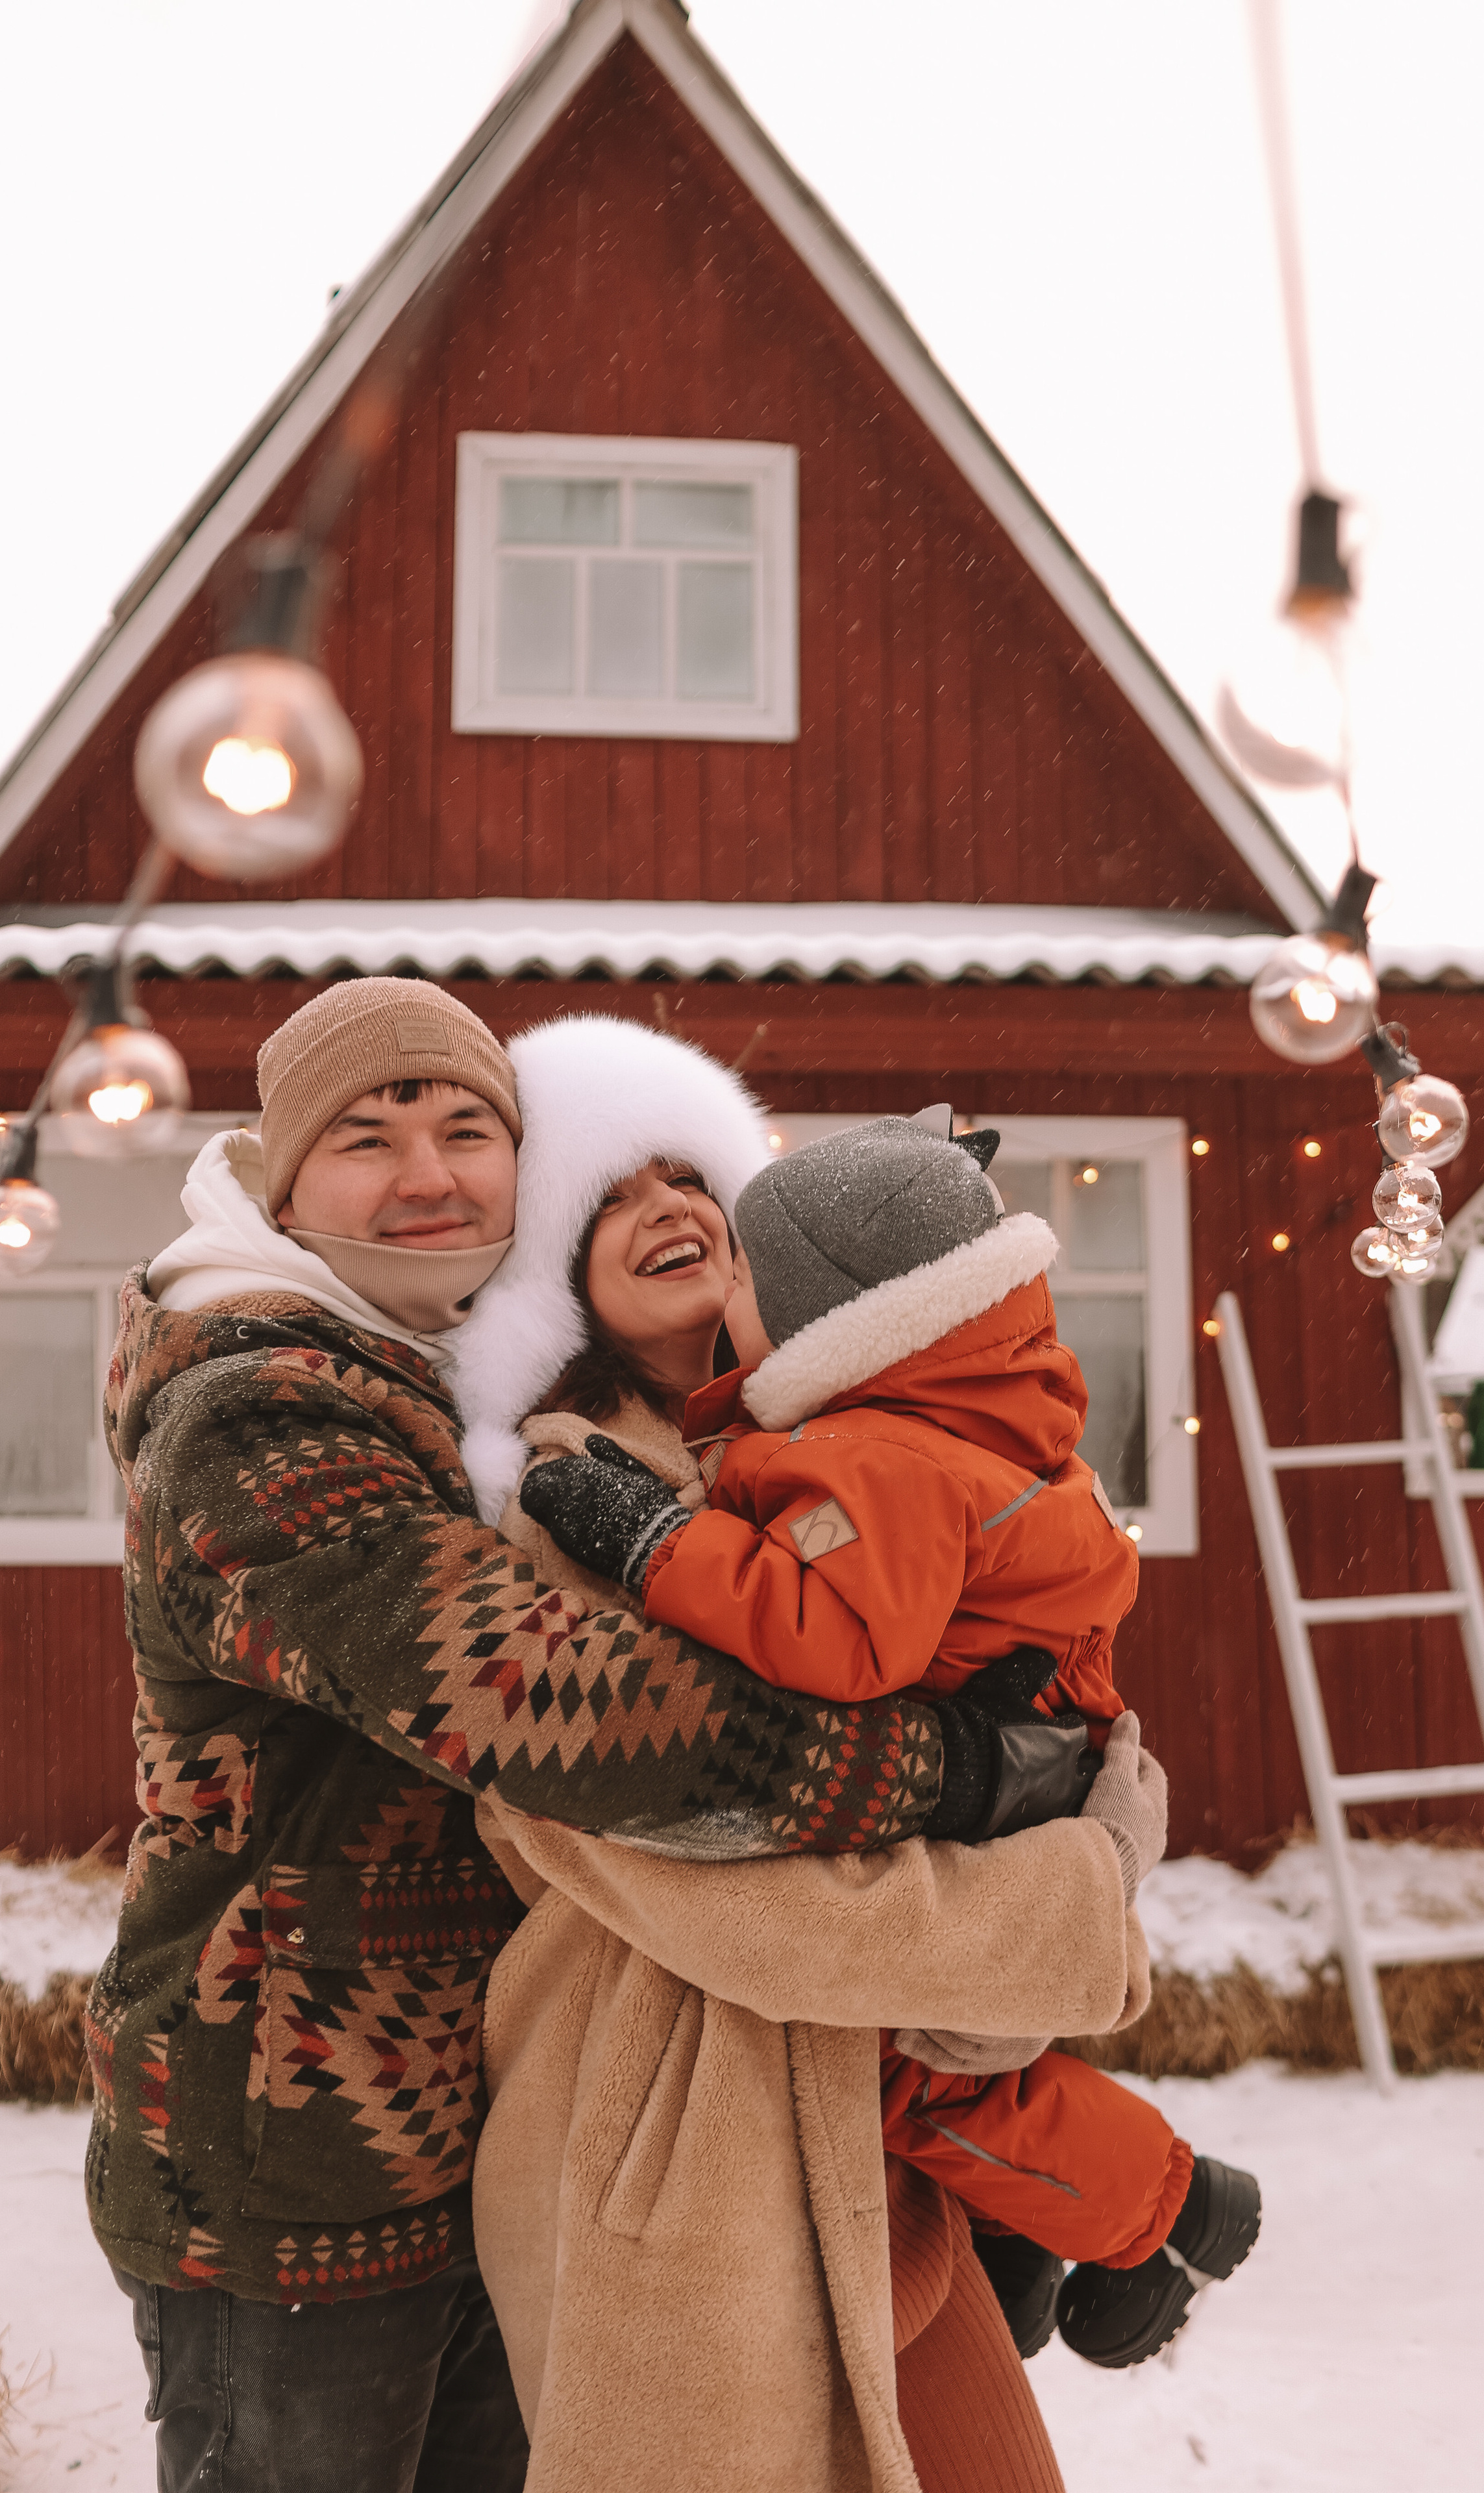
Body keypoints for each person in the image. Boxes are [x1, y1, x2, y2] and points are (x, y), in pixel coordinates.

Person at [90, 980, 1102, 2493]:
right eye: (367, 1137)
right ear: (284, 1176)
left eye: (465, 1128)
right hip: (304, 2157)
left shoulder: (807, 1446)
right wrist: (962, 1777)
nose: (427, 1173)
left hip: (518, 2143)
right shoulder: (282, 1413)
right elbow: (569, 1724)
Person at [452, 1013, 1171, 2493]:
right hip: (677, 2139)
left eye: (685, 1177)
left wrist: (1047, 1791)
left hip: (868, 2137)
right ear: (546, 1272)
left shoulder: (860, 1446)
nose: (663, 1211)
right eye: (604, 1200)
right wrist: (1068, 1896)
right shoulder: (560, 1503)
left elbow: (1024, 1693)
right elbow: (721, 1881)